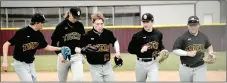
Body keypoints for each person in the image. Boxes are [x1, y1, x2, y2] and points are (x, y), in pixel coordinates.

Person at [1, 13, 62, 82]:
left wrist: (60, 48)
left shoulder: (39, 34)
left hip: (31, 64)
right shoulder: (22, 32)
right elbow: (6, 44)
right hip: (20, 65)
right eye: (42, 22)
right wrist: (5, 61)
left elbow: (46, 47)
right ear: (36, 23)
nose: (43, 24)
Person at [79, 12, 121, 82]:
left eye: (101, 24)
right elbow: (81, 49)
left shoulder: (108, 33)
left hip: (107, 65)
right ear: (93, 24)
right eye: (97, 24)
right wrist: (83, 55)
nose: (100, 26)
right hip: (95, 67)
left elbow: (115, 41)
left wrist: (118, 52)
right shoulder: (87, 35)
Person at [172, 16, 216, 82]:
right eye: (191, 25)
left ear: (199, 25)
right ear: (188, 26)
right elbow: (175, 50)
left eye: (195, 25)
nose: (193, 27)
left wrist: (211, 52)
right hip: (185, 68)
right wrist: (187, 53)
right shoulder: (182, 37)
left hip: (200, 67)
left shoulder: (203, 36)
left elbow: (209, 45)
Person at [128, 13, 168, 82]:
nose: (145, 24)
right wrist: (140, 50)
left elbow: (160, 45)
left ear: (152, 22)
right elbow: (130, 49)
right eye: (144, 22)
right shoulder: (137, 36)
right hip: (140, 64)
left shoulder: (158, 34)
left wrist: (163, 50)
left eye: (147, 22)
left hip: (153, 63)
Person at [51, 7, 85, 82]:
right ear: (69, 13)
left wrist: (82, 52)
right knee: (62, 80)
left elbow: (83, 41)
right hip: (64, 56)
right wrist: (59, 54)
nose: (75, 19)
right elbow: (53, 43)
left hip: (77, 56)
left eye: (77, 17)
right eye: (74, 17)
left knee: (78, 79)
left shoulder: (80, 26)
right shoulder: (61, 26)